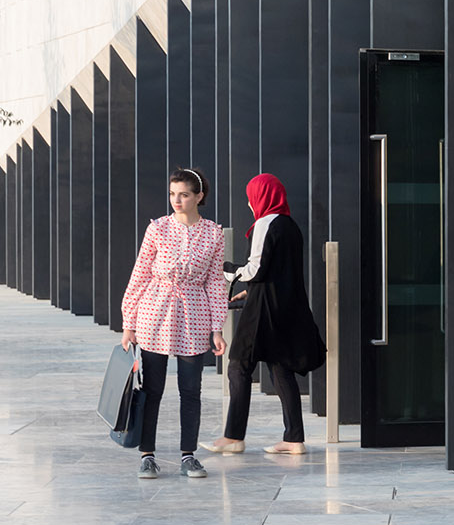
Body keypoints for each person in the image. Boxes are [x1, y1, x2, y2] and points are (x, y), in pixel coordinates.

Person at [203, 173, 325, 456]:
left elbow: (255, 269)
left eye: (251, 196)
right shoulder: (291, 226)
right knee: (280, 369)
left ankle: (233, 437)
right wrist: (251, 292)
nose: (248, 202)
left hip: (264, 311)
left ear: (261, 196)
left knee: (238, 365)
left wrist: (232, 272)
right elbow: (279, 272)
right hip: (284, 306)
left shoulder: (264, 223)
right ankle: (294, 439)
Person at [120, 168, 225, 479]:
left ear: (199, 197)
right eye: (172, 194)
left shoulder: (213, 234)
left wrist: (216, 328)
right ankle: (147, 454)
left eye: (184, 195)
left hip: (194, 315)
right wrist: (129, 323)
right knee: (152, 390)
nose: (176, 200)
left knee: (191, 390)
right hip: (155, 312)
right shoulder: (158, 229)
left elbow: (215, 283)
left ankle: (188, 455)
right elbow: (140, 274)